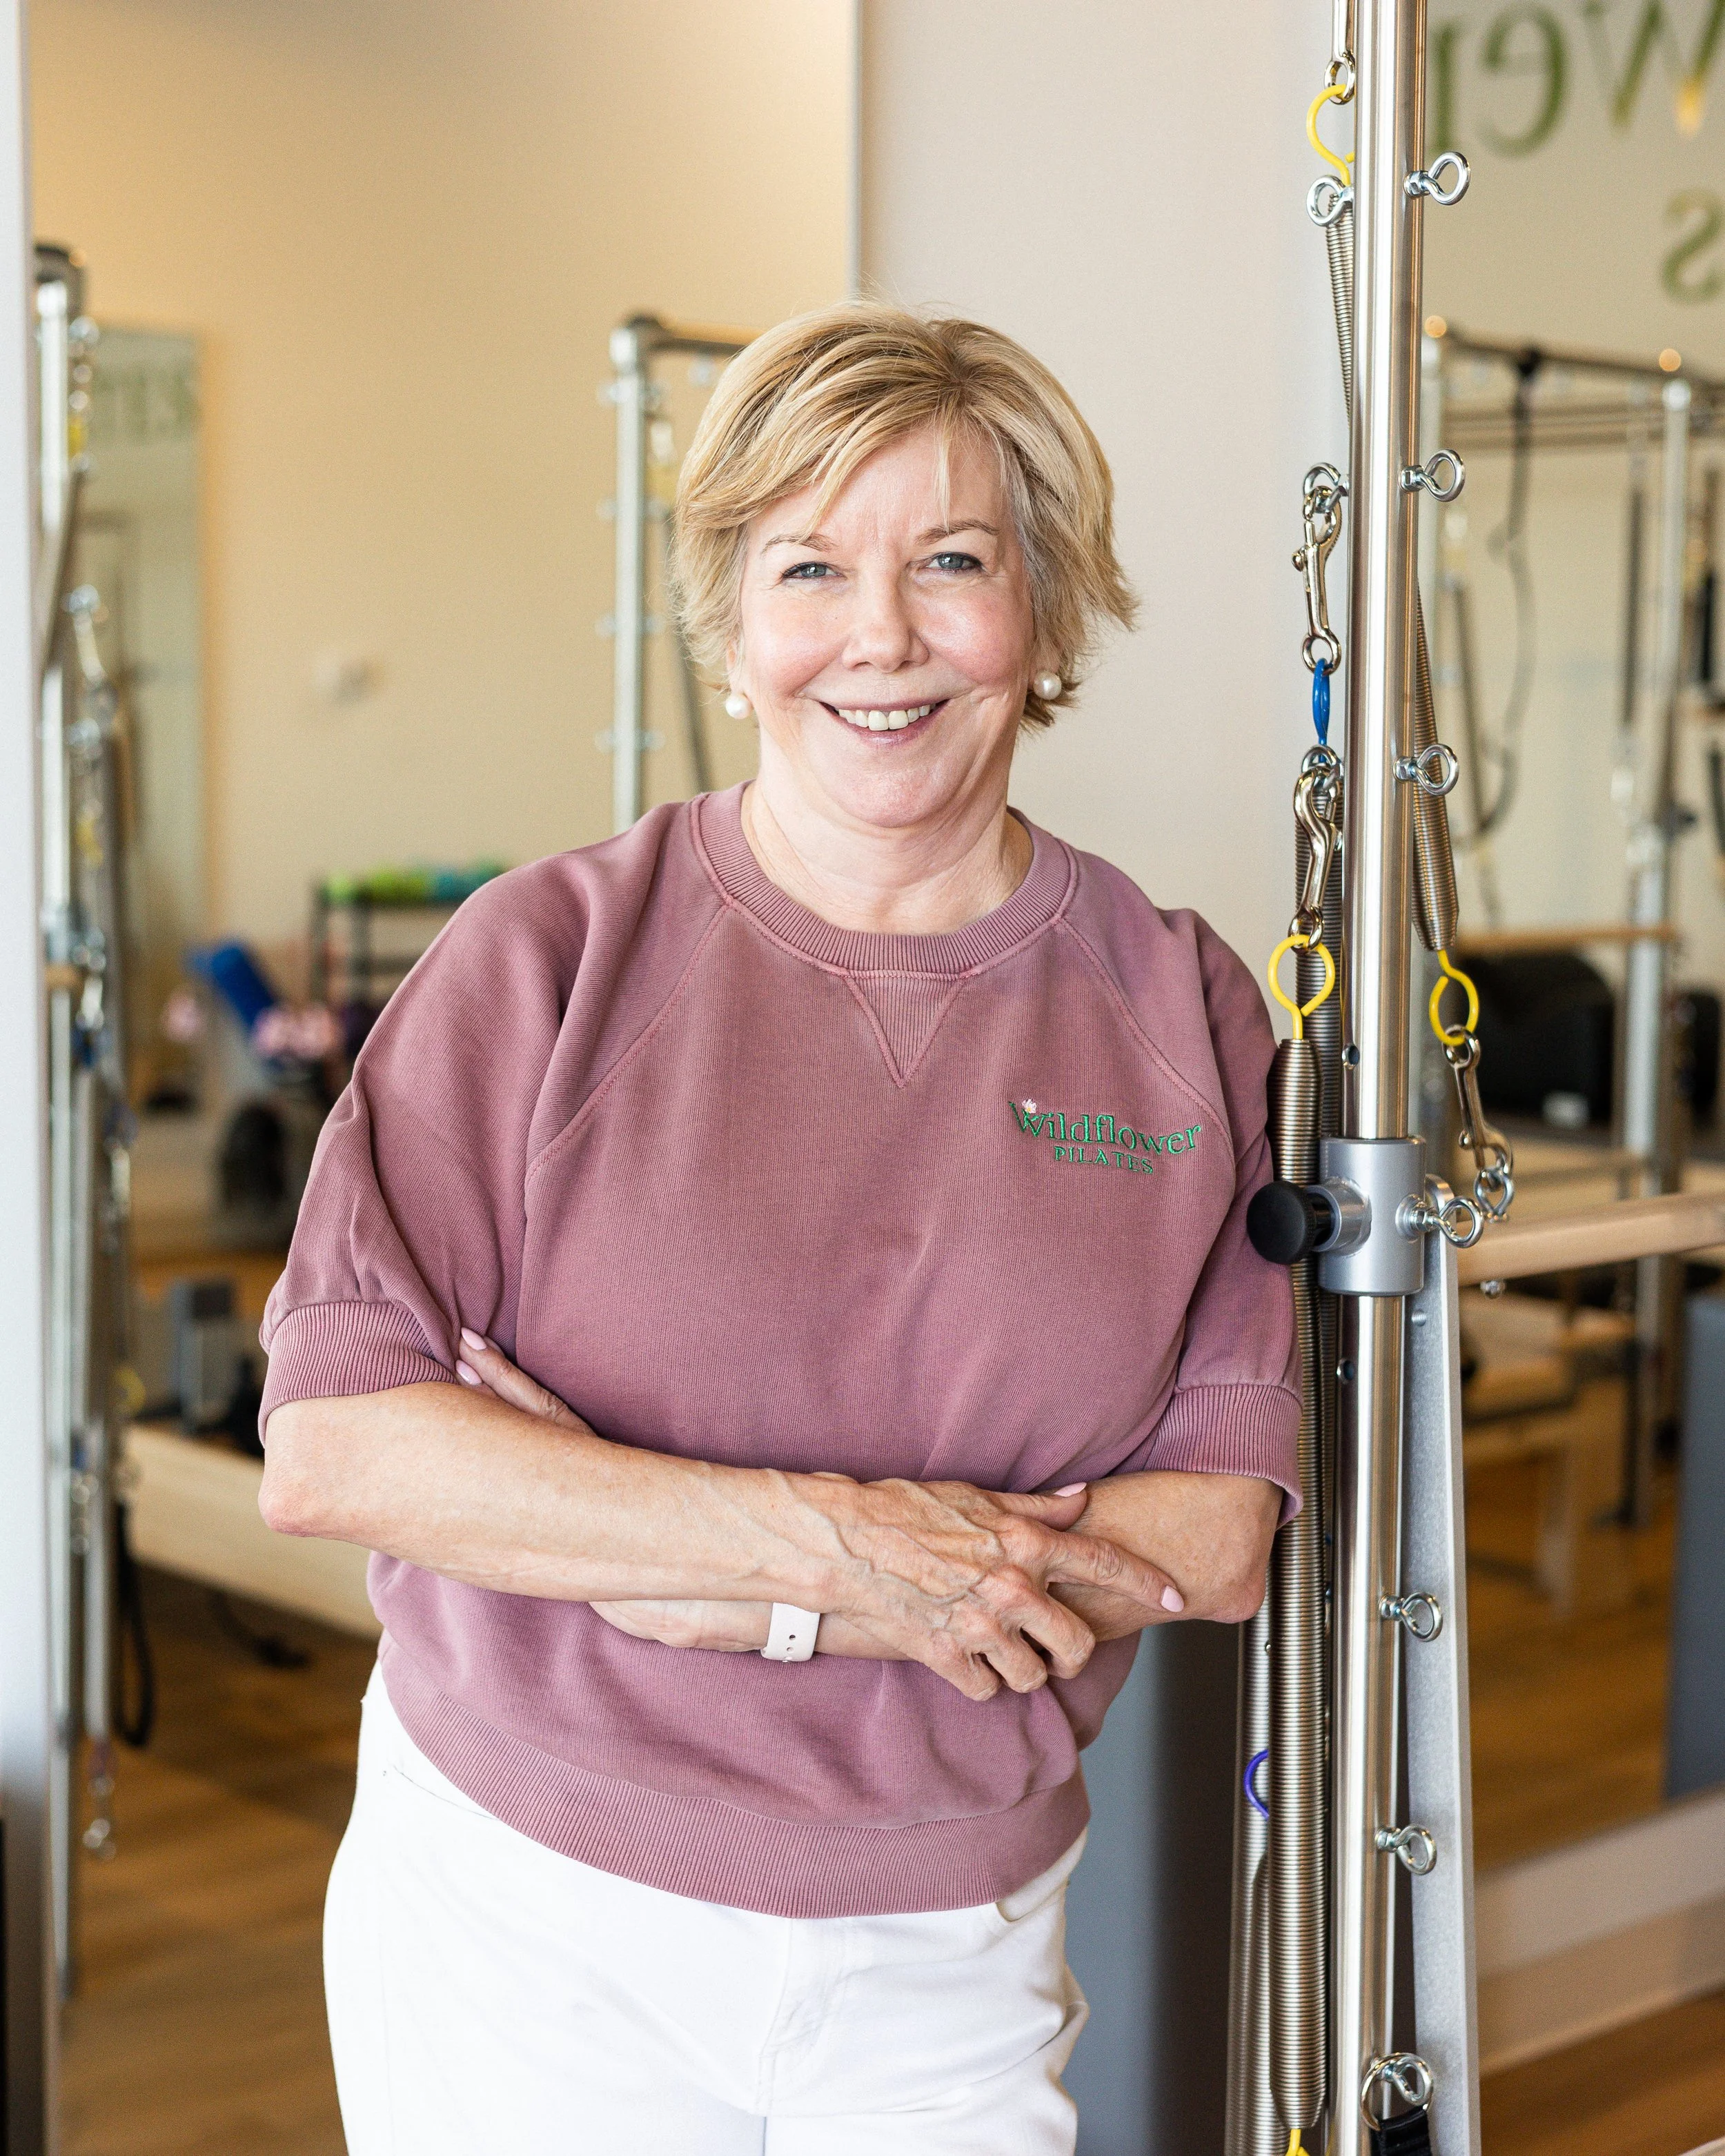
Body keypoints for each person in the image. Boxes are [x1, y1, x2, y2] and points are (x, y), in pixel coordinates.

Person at [259, 301, 1298, 2156]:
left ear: (1046, 616)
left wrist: (659, 1554)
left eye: (953, 562)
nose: (880, 635)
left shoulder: (1179, 1007)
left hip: (952, 1943)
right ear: (733, 631)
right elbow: (343, 1442)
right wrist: (828, 1556)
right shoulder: (549, 959)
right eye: (809, 566)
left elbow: (1215, 1536)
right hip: (527, 1916)